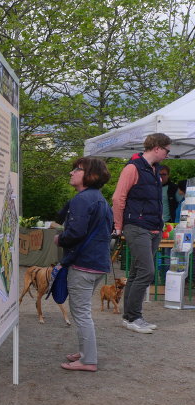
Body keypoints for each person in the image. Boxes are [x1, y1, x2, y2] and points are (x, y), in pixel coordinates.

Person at [55, 157, 113, 372]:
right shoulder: (99, 199)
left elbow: (76, 233)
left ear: (91, 175)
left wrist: (59, 239)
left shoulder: (82, 199)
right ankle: (85, 352)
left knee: (80, 313)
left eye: (77, 169)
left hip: (84, 264)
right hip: (97, 264)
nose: (71, 173)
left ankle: (88, 360)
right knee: (82, 311)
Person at [112, 133, 171, 334]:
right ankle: (135, 317)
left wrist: (160, 225)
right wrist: (118, 226)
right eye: (167, 150)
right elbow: (118, 198)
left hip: (153, 228)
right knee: (147, 271)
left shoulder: (154, 170)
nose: (168, 154)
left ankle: (129, 318)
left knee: (137, 272)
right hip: (136, 227)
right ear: (157, 148)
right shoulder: (132, 168)